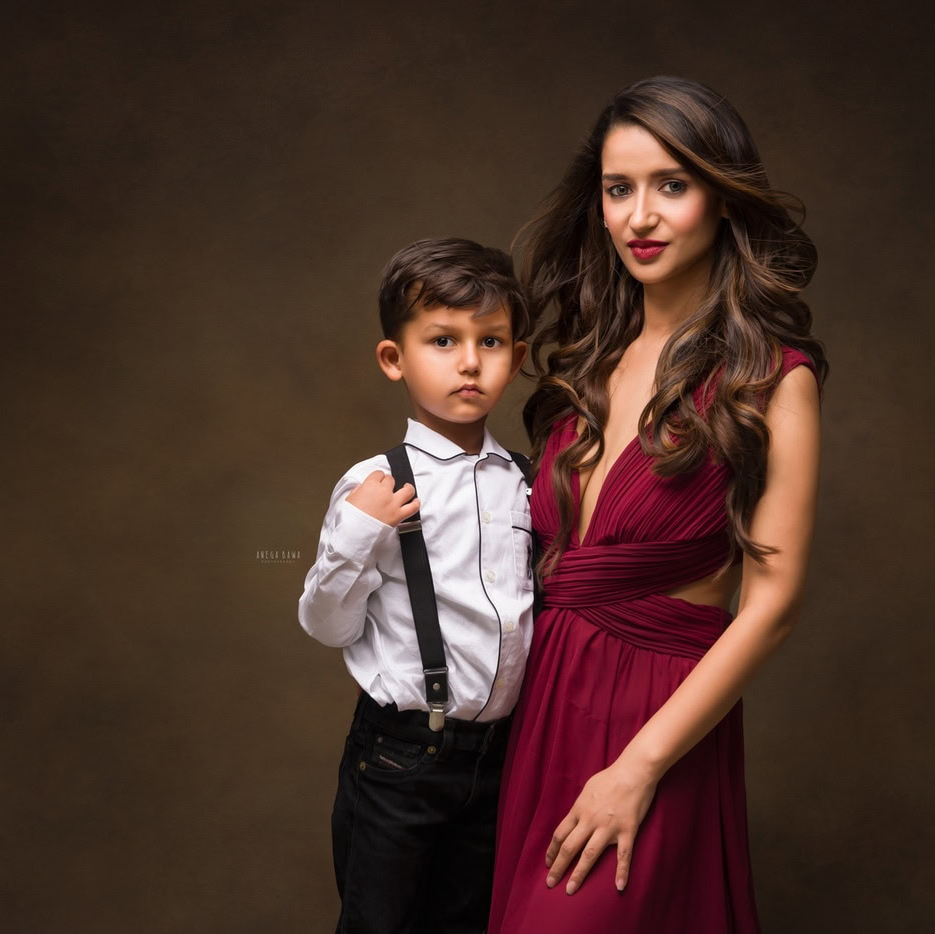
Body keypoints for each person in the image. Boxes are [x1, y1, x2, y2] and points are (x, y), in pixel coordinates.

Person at [487, 77, 829, 933]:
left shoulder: (770, 379)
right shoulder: (586, 363)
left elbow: (774, 606)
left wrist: (638, 767)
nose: (640, 215)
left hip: (658, 727)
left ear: (723, 197)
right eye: (618, 189)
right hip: (543, 714)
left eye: (671, 185)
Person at [297, 237, 535, 934]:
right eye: (442, 340)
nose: (470, 361)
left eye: (491, 341)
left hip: (500, 762)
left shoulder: (528, 483)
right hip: (400, 760)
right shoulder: (375, 485)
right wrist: (358, 530)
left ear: (518, 356)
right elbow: (327, 624)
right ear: (393, 358)